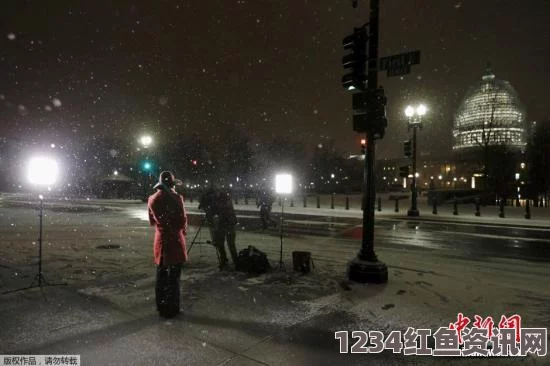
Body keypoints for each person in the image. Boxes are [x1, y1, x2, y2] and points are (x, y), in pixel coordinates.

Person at [148, 171, 187, 318]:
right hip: (175, 240)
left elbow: (152, 221)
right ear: (172, 184)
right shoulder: (176, 198)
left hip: (161, 240)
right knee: (174, 277)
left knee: (161, 274)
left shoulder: (152, 199)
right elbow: (182, 221)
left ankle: (161, 306)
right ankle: (173, 307)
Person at [211, 190, 238, 269]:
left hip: (226, 224)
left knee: (227, 244)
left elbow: (223, 210)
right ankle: (232, 261)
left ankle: (227, 260)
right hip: (226, 224)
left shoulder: (223, 201)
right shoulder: (223, 200)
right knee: (225, 244)